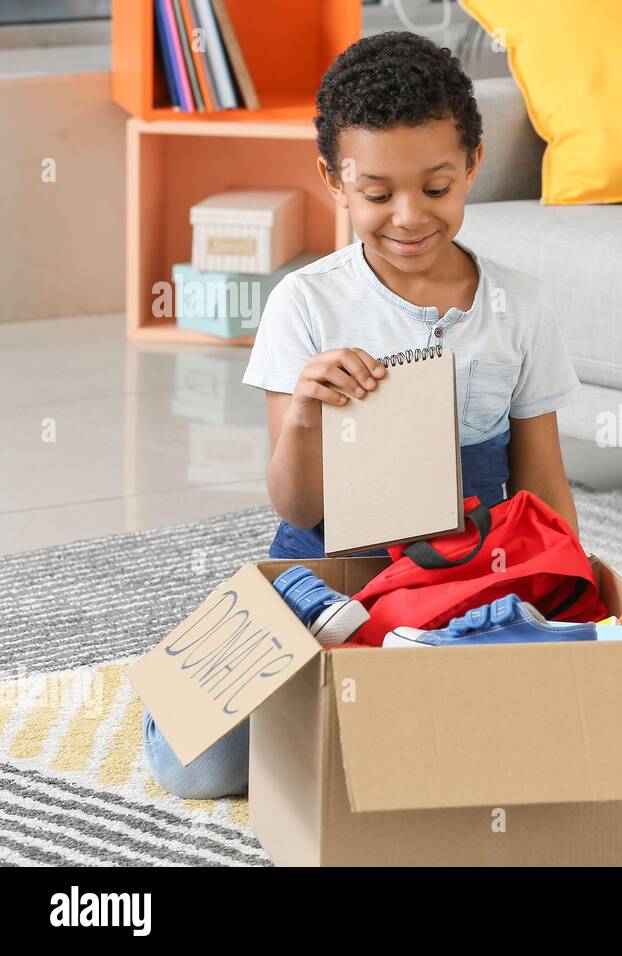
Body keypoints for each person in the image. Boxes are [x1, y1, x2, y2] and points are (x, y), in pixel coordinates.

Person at [142, 31, 583, 798]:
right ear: (333, 182)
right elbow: (298, 505)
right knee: (198, 768)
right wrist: (309, 416)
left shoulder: (522, 305)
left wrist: (576, 592)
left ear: (474, 164)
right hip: (332, 574)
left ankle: (391, 669)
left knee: (483, 748)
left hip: (466, 576)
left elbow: (541, 482)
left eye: (437, 188)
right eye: (378, 195)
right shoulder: (306, 304)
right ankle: (256, 654)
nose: (409, 218)